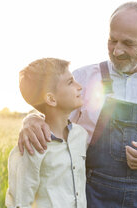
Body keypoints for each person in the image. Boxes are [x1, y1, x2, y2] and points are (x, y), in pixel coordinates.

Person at [17, 2, 137, 207]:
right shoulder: (83, 78)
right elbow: (52, 112)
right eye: (112, 41)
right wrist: (31, 120)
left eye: (128, 44)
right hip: (93, 196)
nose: (117, 51)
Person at [5, 58, 88, 208]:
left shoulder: (80, 135)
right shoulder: (31, 146)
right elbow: (20, 202)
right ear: (51, 98)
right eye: (70, 82)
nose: (79, 87)